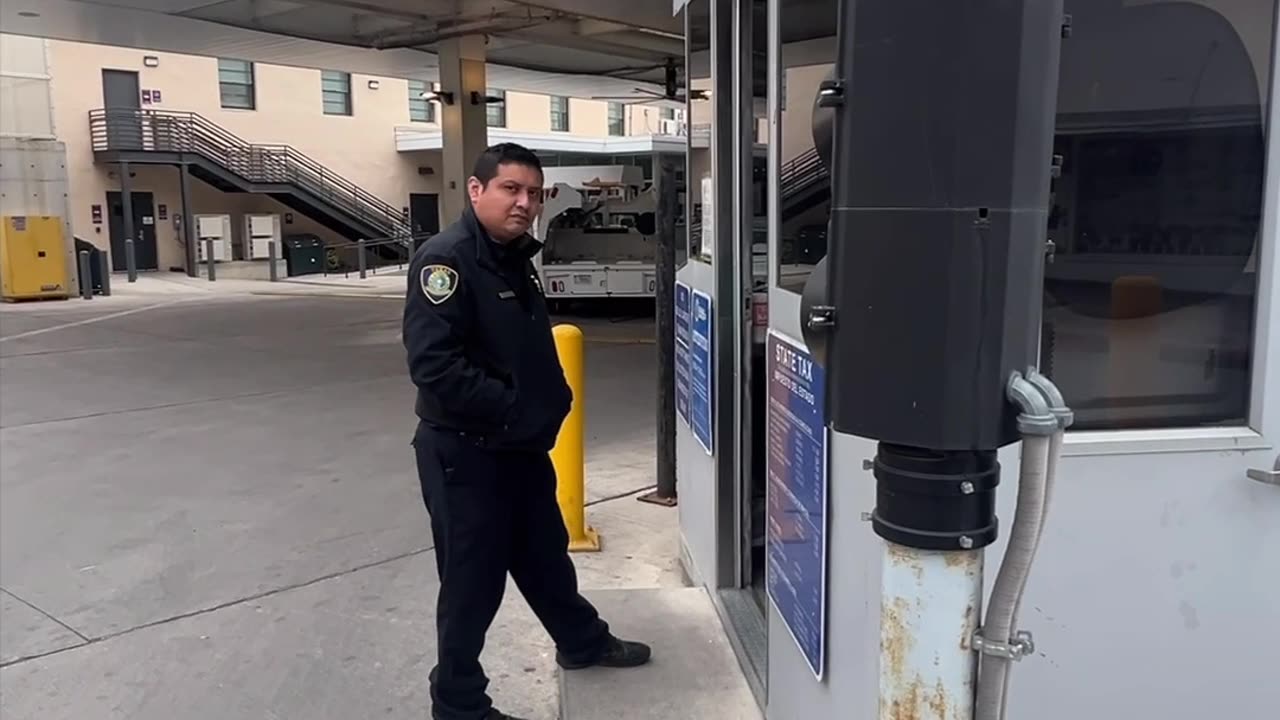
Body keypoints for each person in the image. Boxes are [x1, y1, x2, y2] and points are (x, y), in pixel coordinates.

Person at [402, 143, 651, 720]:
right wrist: (516, 409)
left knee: (544, 554)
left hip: (518, 448)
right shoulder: (448, 262)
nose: (524, 203)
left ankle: (582, 642)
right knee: (472, 584)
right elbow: (435, 368)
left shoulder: (513, 254)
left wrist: (550, 403)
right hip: (466, 454)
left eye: (533, 193)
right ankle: (458, 703)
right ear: (475, 190)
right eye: (511, 189)